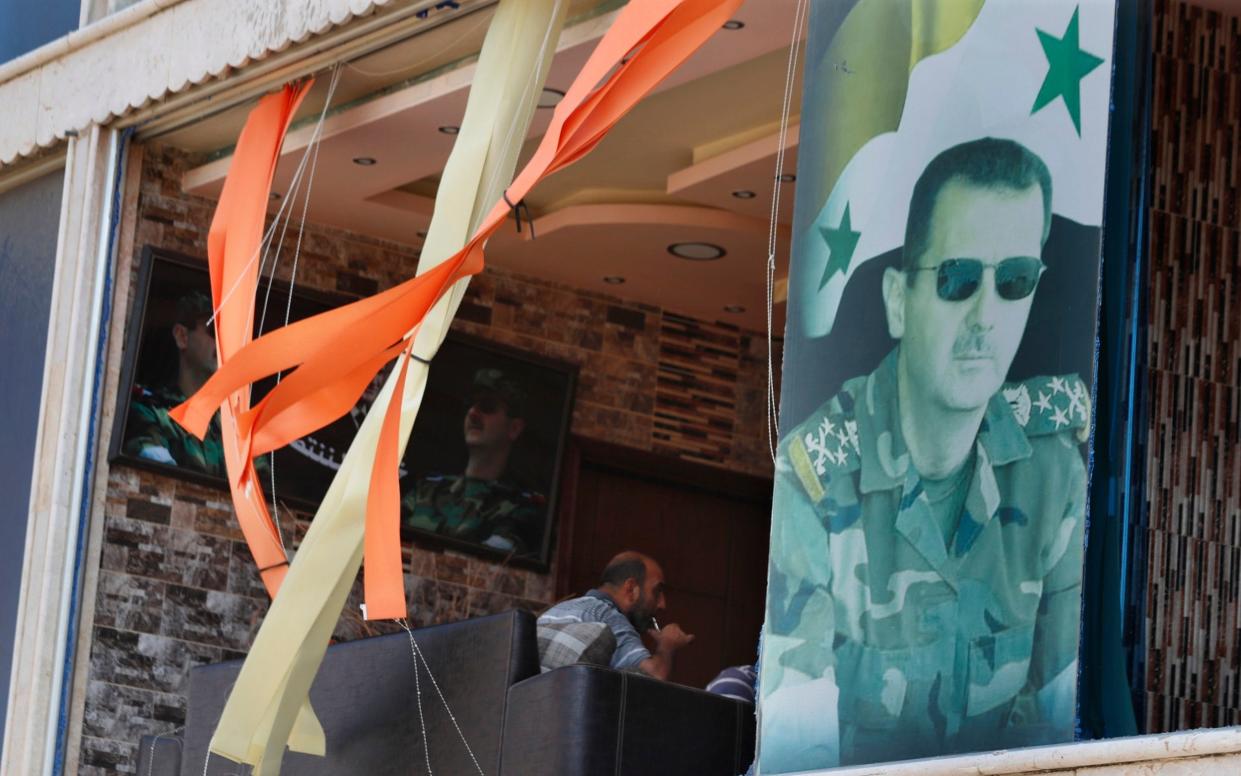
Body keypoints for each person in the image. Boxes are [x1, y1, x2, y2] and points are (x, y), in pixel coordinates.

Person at [761, 138, 1089, 771]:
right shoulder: (818, 480)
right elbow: (796, 751)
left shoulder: (1052, 472)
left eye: (1015, 280)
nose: (985, 316)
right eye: (958, 278)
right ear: (897, 299)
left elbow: (1056, 725)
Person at [402, 368, 545, 555]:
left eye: (487, 406)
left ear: (514, 429)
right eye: (470, 404)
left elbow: (484, 565)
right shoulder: (425, 490)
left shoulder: (520, 510)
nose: (472, 413)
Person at [539, 551, 695, 680]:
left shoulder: (557, 610)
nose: (662, 604)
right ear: (631, 588)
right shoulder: (608, 616)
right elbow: (653, 678)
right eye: (657, 591)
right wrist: (666, 646)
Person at [124, 291, 225, 475]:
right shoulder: (151, 412)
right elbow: (161, 481)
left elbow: (262, 485)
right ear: (182, 336)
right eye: (213, 330)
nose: (221, 341)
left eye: (225, 334)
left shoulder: (234, 430)